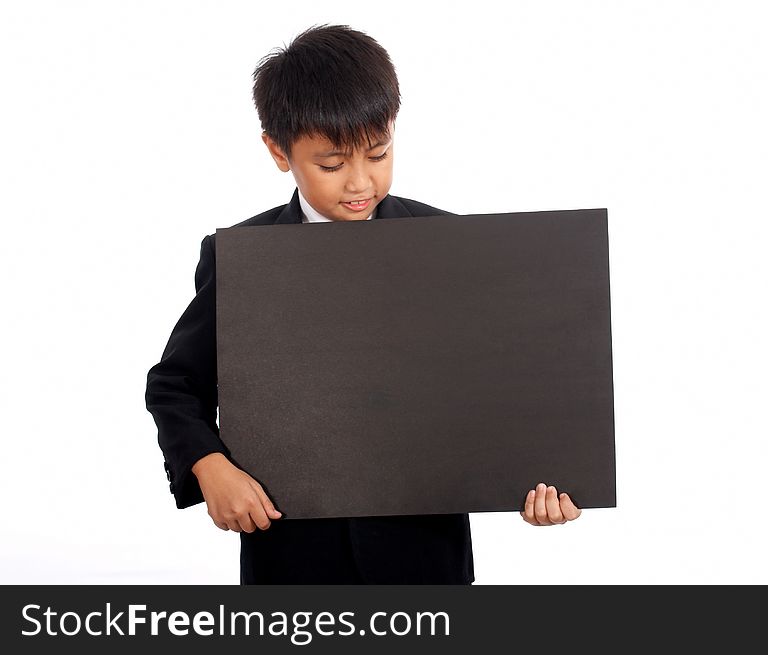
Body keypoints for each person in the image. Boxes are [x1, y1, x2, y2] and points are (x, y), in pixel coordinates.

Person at [145, 24, 581, 585]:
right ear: (279, 151)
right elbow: (175, 385)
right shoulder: (243, 256)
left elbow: (505, 382)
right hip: (290, 556)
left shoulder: (450, 245)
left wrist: (542, 477)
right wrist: (209, 467)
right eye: (331, 165)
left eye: (378, 154)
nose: (360, 181)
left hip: (424, 560)